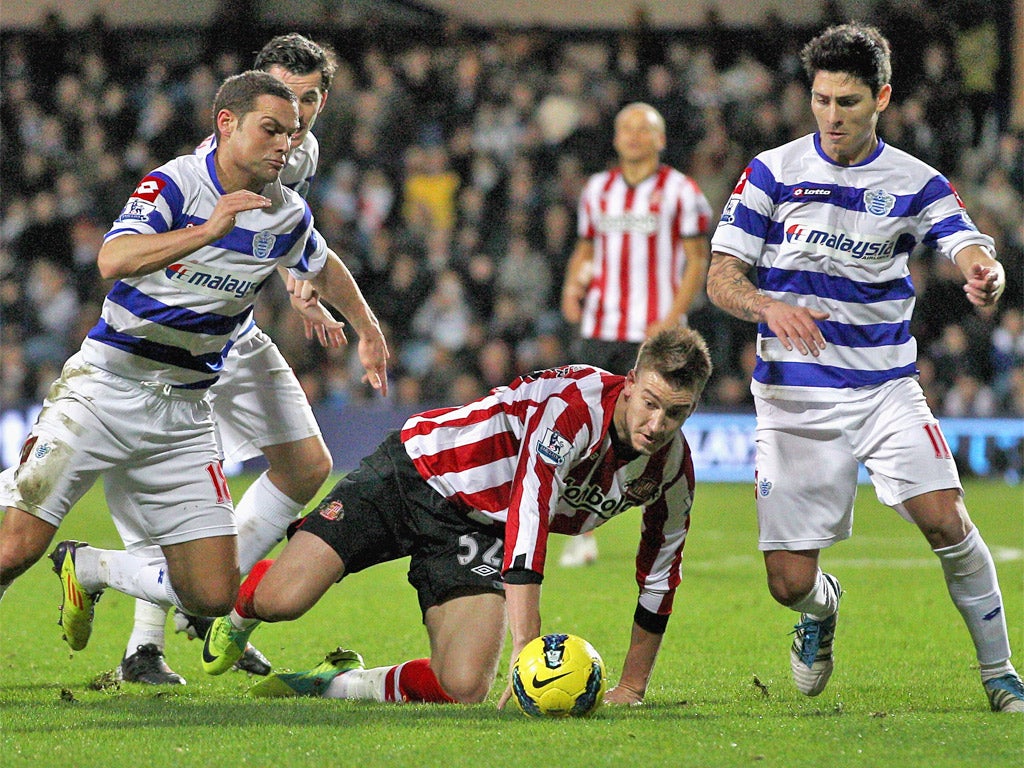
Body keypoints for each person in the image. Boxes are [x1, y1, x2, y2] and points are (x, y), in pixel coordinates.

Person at [0, 71, 384, 670]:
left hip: (184, 411)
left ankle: (91, 566)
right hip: (104, 390)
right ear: (226, 124)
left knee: (212, 593)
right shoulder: (175, 184)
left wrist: (368, 329)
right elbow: (112, 258)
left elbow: (322, 263)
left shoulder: (285, 213)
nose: (285, 144)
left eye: (290, 134)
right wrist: (206, 232)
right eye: (270, 130)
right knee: (14, 548)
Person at [705, 23, 1023, 713]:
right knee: (788, 582)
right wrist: (765, 306)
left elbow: (962, 240)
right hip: (792, 401)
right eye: (820, 100)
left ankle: (1000, 675)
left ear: (880, 96)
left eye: (847, 102)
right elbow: (720, 277)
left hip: (884, 390)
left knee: (947, 520)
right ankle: (821, 613)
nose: (831, 116)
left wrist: (984, 274)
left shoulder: (914, 180)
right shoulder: (772, 171)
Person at [199, 327, 712, 708]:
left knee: (464, 687)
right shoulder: (573, 409)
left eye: (676, 413)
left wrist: (631, 689)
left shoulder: (672, 471)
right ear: (629, 384)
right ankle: (239, 616)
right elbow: (529, 518)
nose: (658, 423)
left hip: (479, 528)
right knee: (282, 600)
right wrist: (525, 652)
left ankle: (337, 682)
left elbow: (662, 574)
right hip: (416, 470)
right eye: (650, 403)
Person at [113, 33, 389, 686]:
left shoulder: (303, 151)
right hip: (170, 334)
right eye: (283, 96)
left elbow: (289, 235)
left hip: (234, 329)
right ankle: (142, 644)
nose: (295, 111)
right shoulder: (218, 155)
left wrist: (303, 289)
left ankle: (210, 605)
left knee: (306, 463)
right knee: (177, 490)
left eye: (310, 98)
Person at [558, 102, 712, 568]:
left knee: (655, 428)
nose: (632, 136)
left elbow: (697, 259)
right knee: (588, 427)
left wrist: (672, 317)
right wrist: (571, 285)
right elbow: (586, 248)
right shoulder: (597, 189)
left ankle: (662, 516)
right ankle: (577, 527)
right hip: (602, 326)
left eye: (643, 129)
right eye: (624, 127)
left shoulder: (681, 191)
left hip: (654, 333)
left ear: (660, 139)